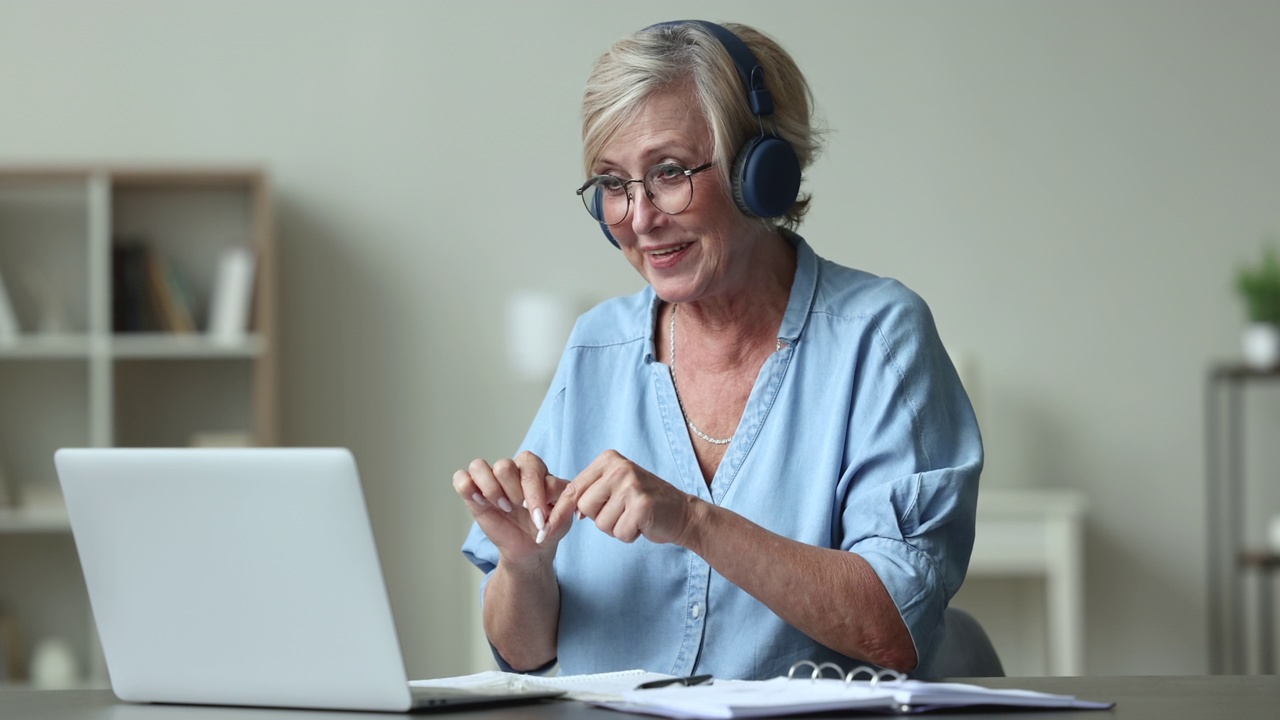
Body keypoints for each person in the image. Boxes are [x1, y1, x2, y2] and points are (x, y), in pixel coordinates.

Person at [454, 20, 982, 681]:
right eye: (614, 185)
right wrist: (523, 562)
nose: (639, 218)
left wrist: (694, 520)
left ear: (761, 173)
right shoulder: (598, 345)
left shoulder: (879, 339)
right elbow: (525, 654)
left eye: (669, 173)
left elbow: (895, 627)